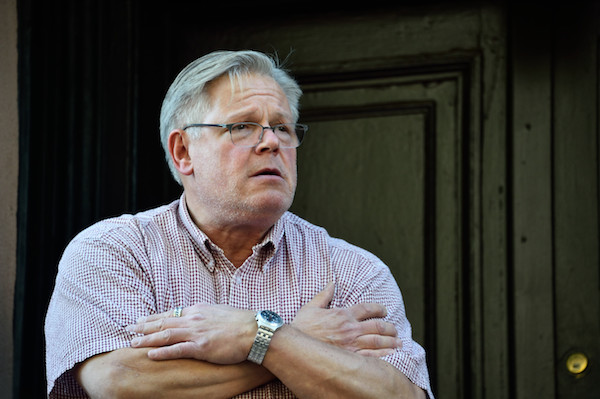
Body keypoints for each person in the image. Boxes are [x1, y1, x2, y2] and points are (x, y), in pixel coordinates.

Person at [45, 50, 434, 398]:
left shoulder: (352, 270)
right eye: (242, 126)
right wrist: (299, 342)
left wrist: (256, 334)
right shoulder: (115, 250)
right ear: (183, 152)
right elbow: (120, 383)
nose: (272, 142)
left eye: (282, 127)